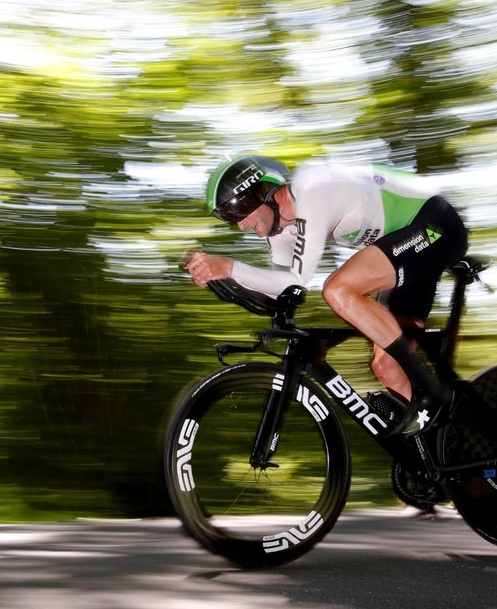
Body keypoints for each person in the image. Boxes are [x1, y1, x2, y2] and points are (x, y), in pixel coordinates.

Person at [184, 155, 469, 435]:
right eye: (229, 217)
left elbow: (297, 278)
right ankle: (445, 449)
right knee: (387, 366)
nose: (239, 223)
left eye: (239, 209)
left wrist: (230, 267)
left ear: (264, 190)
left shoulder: (312, 188)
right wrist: (222, 280)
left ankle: (431, 392)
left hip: (435, 224)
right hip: (404, 250)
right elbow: (285, 291)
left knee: (338, 289)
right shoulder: (283, 231)